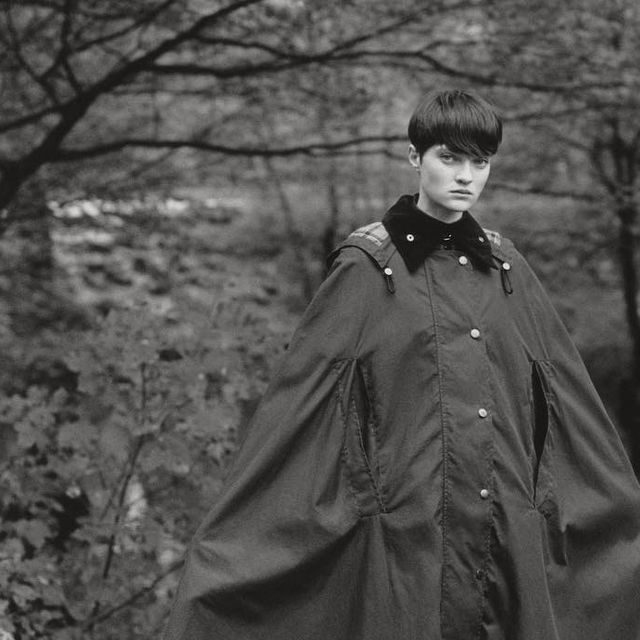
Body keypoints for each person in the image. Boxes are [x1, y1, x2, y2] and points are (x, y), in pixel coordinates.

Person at [163, 90, 640, 640]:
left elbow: (565, 403)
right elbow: (301, 411)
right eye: (449, 158)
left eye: (479, 162)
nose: (465, 176)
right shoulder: (367, 269)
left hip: (504, 534)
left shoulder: (506, 268)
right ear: (416, 158)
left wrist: (601, 508)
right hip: (406, 541)